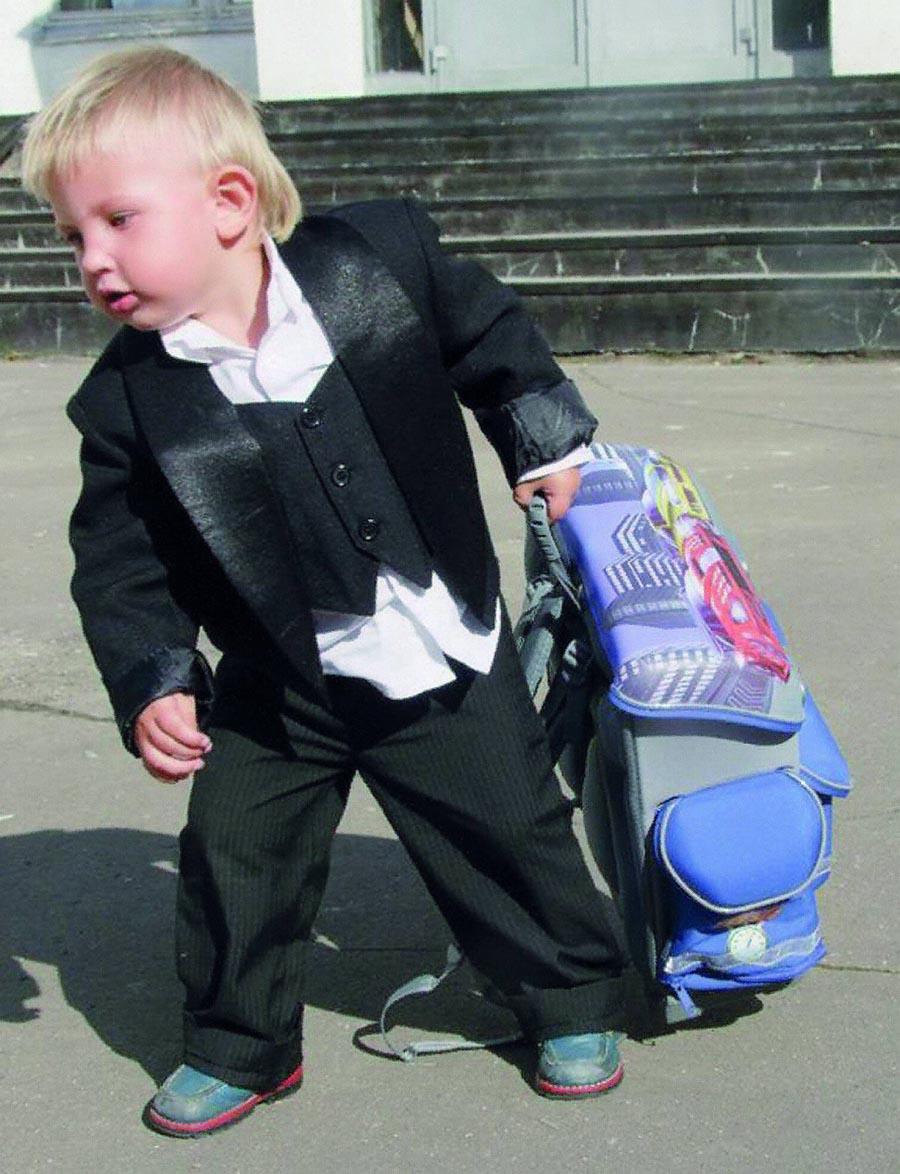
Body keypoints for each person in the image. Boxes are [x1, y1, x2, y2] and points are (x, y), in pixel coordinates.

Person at [21, 46, 625, 1138]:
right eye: (73, 237)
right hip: (279, 677)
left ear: (229, 202)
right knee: (234, 855)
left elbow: (491, 335)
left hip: (439, 634)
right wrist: (156, 677)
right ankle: (239, 1043)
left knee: (510, 823)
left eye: (117, 219)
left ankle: (571, 995)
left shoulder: (377, 261)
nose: (93, 259)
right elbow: (121, 557)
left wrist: (542, 435)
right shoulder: (124, 403)